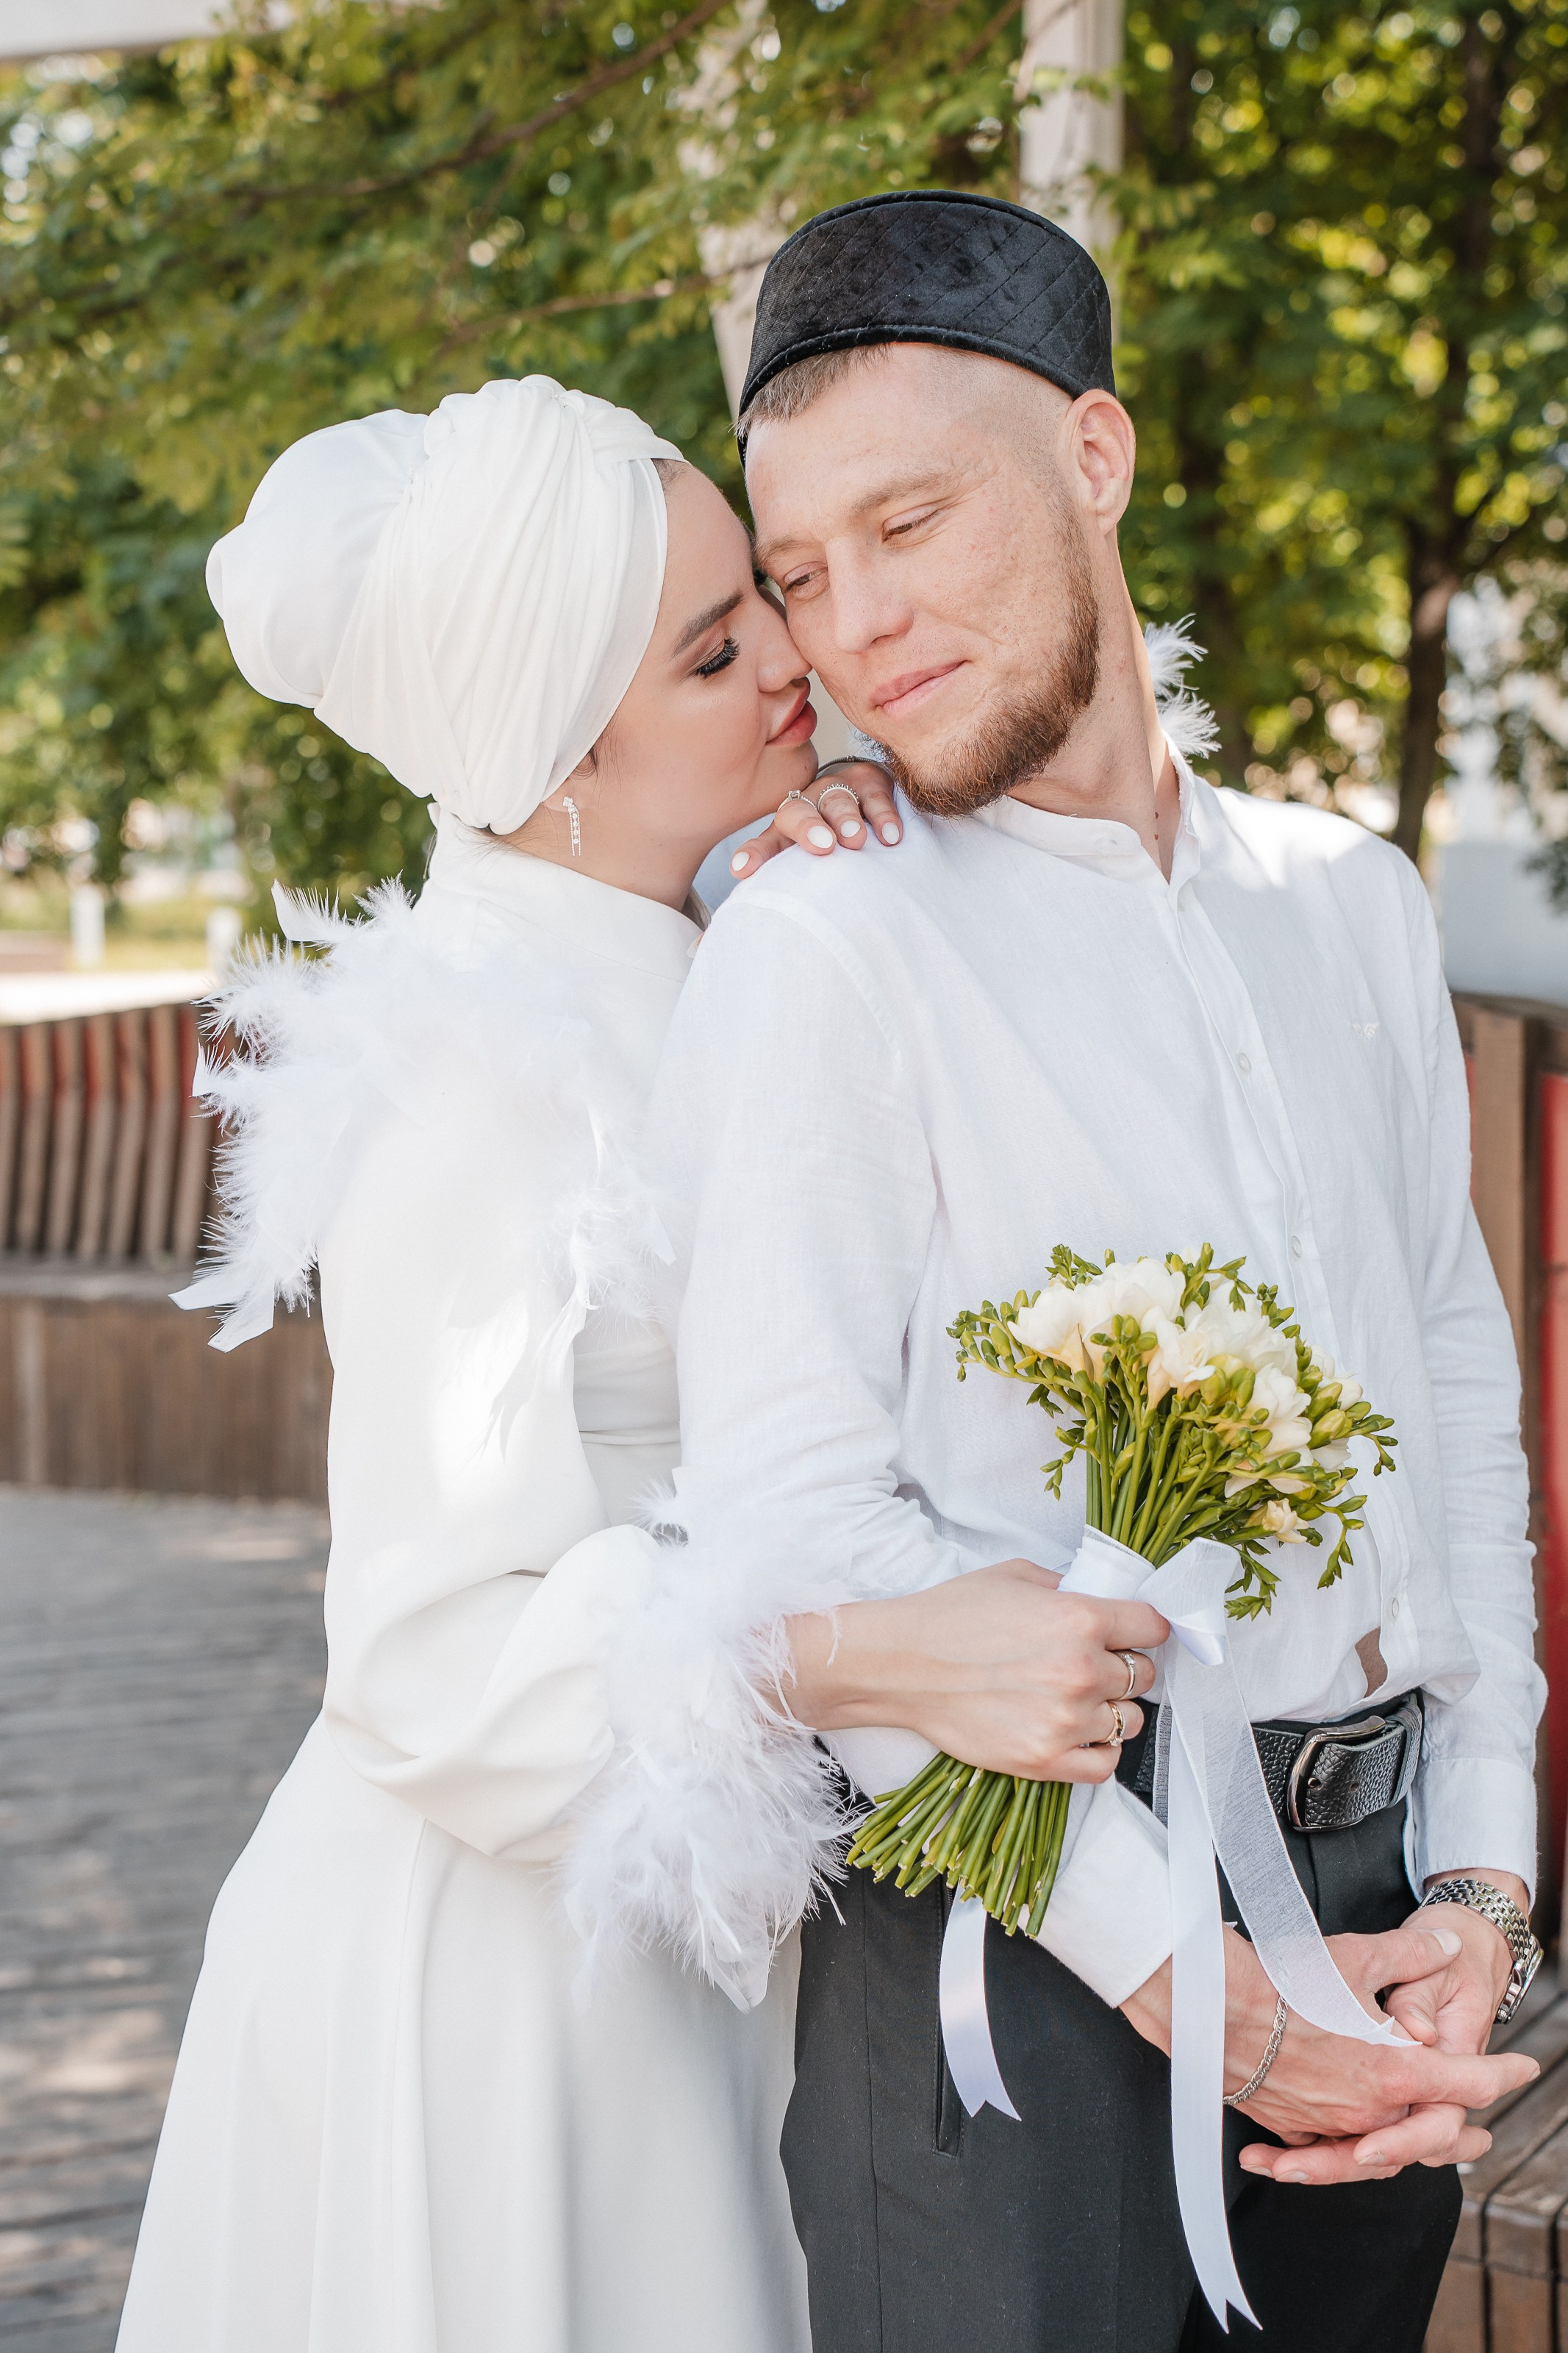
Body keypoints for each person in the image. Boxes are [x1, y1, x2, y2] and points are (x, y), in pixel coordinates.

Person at [617, 193, 1544, 2353]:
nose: (855, 628)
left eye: (911, 524)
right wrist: (1184, 1980)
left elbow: (1448, 1368)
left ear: (1098, 458)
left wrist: (1482, 1875)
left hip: (1378, 1911)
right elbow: (794, 1535)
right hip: (1011, 1968)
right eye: (798, 576)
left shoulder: (1353, 901)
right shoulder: (825, 952)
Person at [114, 374, 912, 2353]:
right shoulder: (482, 1075)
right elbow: (425, 1661)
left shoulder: (699, 932)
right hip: (513, 1996)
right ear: (557, 757)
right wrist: (849, 1646)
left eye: (766, 603)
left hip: (679, 1936)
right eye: (720, 648)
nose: (799, 661)